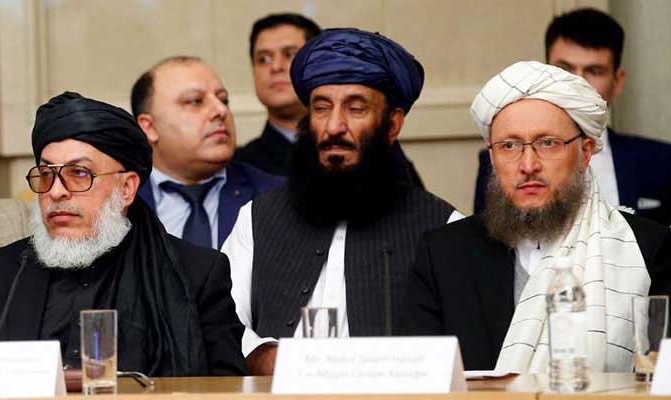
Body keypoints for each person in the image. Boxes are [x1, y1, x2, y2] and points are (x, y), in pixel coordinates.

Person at [405, 61, 671, 373]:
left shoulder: (647, 249)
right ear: (492, 157)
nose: (528, 164)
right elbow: (421, 382)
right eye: (509, 145)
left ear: (585, 152)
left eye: (547, 143)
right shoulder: (444, 254)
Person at [223, 28, 461, 375]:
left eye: (355, 108)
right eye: (321, 108)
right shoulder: (256, 219)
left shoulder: (445, 229)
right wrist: (267, 358)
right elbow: (222, 320)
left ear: (392, 125)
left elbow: (465, 349)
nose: (334, 126)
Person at [0, 92, 247, 377]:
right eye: (47, 174)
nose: (56, 191)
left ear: (126, 188)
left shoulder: (197, 275)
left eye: (79, 173)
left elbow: (227, 388)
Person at [473, 8, 671, 225]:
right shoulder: (499, 161)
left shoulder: (662, 161)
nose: (577, 83)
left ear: (618, 81)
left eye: (594, 71)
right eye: (564, 69)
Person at [234, 13, 425, 188]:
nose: (276, 67)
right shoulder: (240, 165)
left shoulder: (380, 152)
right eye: (263, 59)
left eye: (289, 54)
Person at [131, 56, 282, 250]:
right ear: (149, 127)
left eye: (224, 100)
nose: (221, 110)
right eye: (195, 101)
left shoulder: (276, 198)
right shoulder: (117, 203)